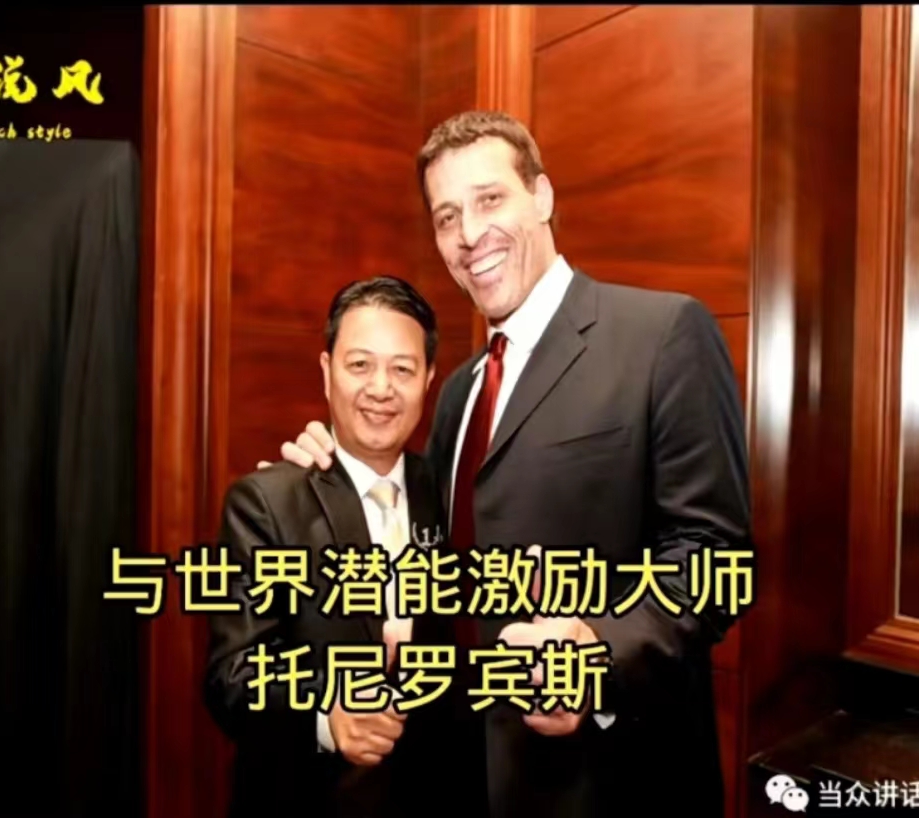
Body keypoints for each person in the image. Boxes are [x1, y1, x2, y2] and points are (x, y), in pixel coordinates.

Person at [271, 111, 753, 817]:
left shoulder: (661, 335)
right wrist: (336, 465)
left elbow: (714, 556)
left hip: (611, 782)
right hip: (464, 777)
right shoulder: (459, 391)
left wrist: (596, 650)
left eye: (489, 199)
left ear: (542, 196)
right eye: (446, 217)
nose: (469, 234)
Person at [204, 276, 461, 818]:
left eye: (402, 369)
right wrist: (324, 714)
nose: (380, 388)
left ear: (429, 379)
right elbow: (233, 678)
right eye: (360, 365)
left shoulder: (453, 497)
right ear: (326, 372)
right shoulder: (266, 503)